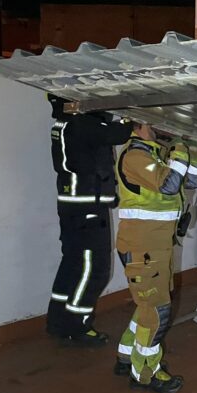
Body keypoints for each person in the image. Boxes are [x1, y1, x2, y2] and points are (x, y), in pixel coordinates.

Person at [113, 122, 197, 393]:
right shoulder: (135, 156)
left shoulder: (155, 153)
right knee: (157, 311)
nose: (162, 127)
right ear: (140, 125)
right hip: (142, 247)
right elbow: (168, 185)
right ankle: (144, 373)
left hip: (157, 246)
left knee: (148, 305)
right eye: (156, 122)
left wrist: (195, 148)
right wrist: (178, 149)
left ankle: (126, 355)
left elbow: (193, 180)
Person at [47, 95, 132, 345]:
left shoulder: (65, 123)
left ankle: (58, 321)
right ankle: (78, 327)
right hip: (88, 210)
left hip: (75, 208)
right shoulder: (82, 124)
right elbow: (116, 134)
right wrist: (133, 117)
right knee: (94, 270)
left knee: (73, 266)